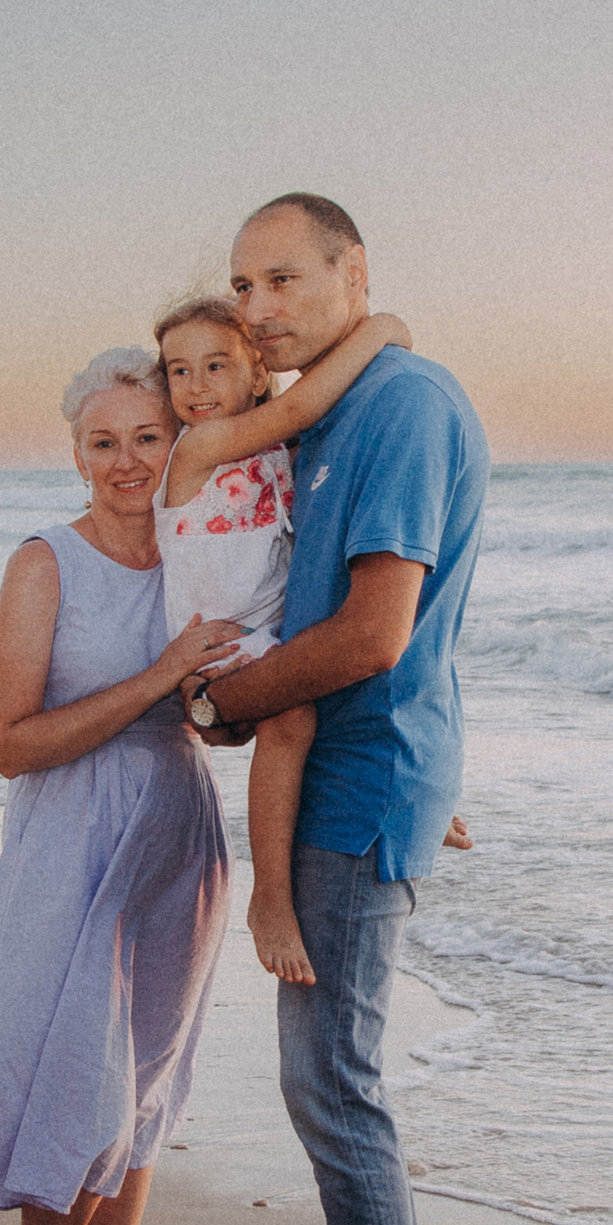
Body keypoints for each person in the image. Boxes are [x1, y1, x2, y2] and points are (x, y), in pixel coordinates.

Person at [183, 193, 490, 1225]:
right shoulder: (333, 409)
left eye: (286, 277)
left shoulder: (405, 406)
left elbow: (374, 633)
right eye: (243, 284)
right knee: (327, 1088)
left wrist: (225, 706)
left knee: (337, 1091)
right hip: (350, 774)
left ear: (352, 271)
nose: (258, 307)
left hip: (356, 788)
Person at [0, 348, 250, 1225]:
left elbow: (226, 721)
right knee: (74, 1084)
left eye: (146, 437)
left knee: (142, 1098)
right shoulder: (44, 562)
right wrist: (158, 675)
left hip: (176, 843)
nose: (126, 461)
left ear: (175, 442)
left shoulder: (200, 555)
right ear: (74, 452)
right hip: (67, 841)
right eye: (102, 442)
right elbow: (8, 743)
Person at [150, 294, 412, 985]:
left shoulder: (275, 453)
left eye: (215, 366)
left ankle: (411, 796)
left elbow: (308, 431)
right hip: (213, 646)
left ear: (256, 373)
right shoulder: (198, 450)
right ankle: (269, 896)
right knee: (292, 716)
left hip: (260, 633)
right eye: (179, 371)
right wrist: (382, 330)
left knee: (339, 686)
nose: (196, 387)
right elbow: (303, 407)